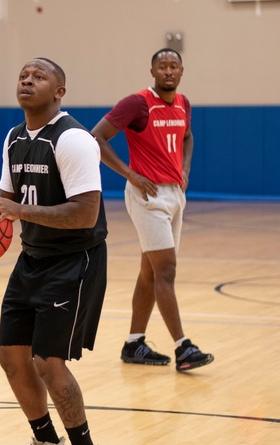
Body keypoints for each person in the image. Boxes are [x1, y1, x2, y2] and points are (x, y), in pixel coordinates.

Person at [0, 58, 110, 445]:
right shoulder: (14, 138)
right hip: (31, 257)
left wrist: (18, 210)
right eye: (22, 76)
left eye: (38, 76)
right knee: (11, 355)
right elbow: (6, 201)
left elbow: (86, 214)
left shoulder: (72, 140)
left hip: (74, 260)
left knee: (48, 361)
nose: (27, 81)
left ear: (59, 92)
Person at [90, 48, 213, 372]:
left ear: (182, 71)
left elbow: (188, 137)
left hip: (175, 195)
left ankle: (134, 343)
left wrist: (185, 167)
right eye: (163, 67)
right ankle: (183, 348)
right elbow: (97, 137)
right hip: (148, 197)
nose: (168, 71)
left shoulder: (183, 104)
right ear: (153, 71)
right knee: (166, 270)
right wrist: (130, 174)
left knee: (149, 272)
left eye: (174, 66)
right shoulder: (138, 103)